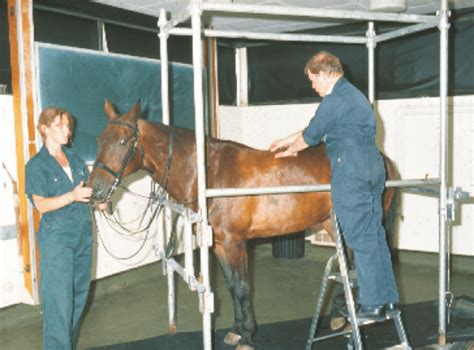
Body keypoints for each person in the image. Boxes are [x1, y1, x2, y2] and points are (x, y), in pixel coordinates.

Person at [270, 51, 399, 321]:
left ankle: (372, 305)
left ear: (327, 73)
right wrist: (285, 139)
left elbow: (311, 136)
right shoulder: (352, 95)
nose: (312, 86)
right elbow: (316, 128)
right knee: (374, 235)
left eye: (313, 79)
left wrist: (290, 151)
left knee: (360, 238)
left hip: (351, 170)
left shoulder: (334, 100)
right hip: (371, 166)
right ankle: (386, 299)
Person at [25, 107, 104, 349]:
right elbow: (41, 205)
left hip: (83, 237)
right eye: (60, 125)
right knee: (59, 305)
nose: (67, 130)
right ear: (44, 129)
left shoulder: (77, 160)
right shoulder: (37, 166)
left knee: (77, 300)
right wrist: (71, 196)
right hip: (57, 240)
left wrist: (99, 202)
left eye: (68, 125)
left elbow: (86, 194)